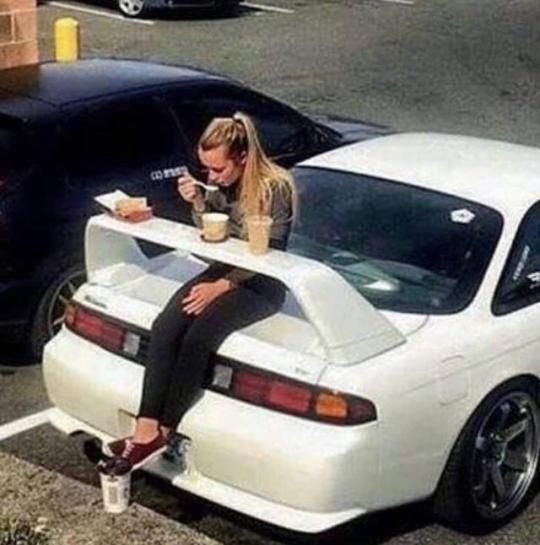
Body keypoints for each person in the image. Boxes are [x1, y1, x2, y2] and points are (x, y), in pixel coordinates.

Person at [104, 112, 296, 470]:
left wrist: (221, 287)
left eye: (219, 169)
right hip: (223, 267)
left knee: (197, 338)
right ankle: (144, 429)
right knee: (165, 327)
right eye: (206, 168)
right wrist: (196, 202)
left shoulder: (275, 188)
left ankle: (166, 427)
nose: (213, 176)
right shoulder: (220, 185)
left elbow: (271, 253)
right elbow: (212, 235)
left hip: (261, 281)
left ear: (242, 158)